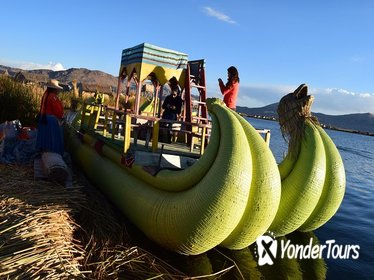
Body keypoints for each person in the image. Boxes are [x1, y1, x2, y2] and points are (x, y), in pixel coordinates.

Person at [36, 79, 65, 155]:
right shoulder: (53, 97)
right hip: (50, 120)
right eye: (57, 89)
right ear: (54, 89)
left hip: (43, 117)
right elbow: (58, 110)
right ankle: (53, 153)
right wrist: (61, 117)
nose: (58, 91)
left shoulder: (46, 94)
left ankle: (44, 151)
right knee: (53, 138)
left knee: (44, 137)